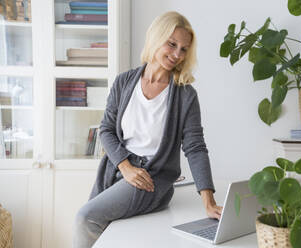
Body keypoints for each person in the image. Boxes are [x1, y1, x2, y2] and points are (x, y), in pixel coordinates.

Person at [73, 11, 222, 248]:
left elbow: (195, 147)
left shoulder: (185, 94)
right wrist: (126, 166)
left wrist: (208, 201)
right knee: (101, 231)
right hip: (117, 170)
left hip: (151, 178)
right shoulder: (124, 82)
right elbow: (107, 130)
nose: (176, 54)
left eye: (183, 49)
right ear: (156, 37)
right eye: (172, 44)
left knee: (86, 217)